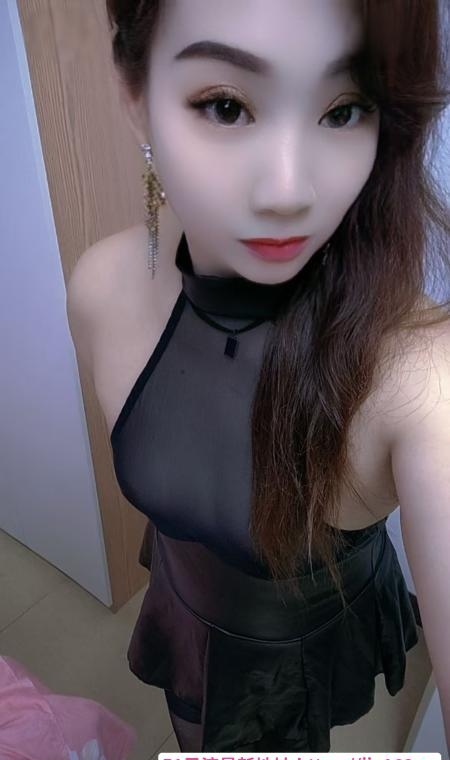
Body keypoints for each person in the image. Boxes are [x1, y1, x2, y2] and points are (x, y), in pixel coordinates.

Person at [67, 0, 450, 752]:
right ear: (135, 94)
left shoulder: (422, 378)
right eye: (226, 105)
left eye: (344, 110)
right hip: (187, 604)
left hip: (309, 636)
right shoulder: (101, 287)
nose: (288, 191)